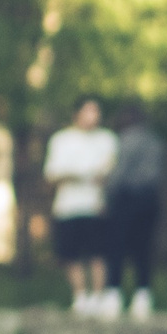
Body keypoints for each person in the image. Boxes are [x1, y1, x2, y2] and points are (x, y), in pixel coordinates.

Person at [44, 98, 118, 317]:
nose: (93, 116)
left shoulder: (107, 139)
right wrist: (83, 174)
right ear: (76, 114)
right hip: (68, 206)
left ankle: (97, 297)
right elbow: (54, 174)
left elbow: (107, 173)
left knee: (98, 253)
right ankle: (80, 297)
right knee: (70, 254)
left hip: (96, 205)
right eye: (88, 111)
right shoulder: (61, 140)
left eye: (96, 111)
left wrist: (75, 174)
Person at [108, 105, 166, 319]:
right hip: (150, 199)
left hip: (126, 198)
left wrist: (108, 195)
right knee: (144, 247)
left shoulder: (126, 141)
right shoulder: (156, 142)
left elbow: (119, 173)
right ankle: (143, 295)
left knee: (118, 246)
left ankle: (114, 293)